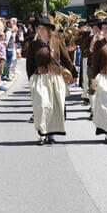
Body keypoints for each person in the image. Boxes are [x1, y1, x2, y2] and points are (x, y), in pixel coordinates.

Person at [26, 17, 77, 145]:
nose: (41, 30)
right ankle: (43, 133)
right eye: (39, 28)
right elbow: (29, 65)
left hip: (55, 77)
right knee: (42, 105)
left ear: (49, 30)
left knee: (55, 106)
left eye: (44, 28)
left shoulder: (57, 42)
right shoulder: (33, 45)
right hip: (40, 78)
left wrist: (74, 73)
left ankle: (52, 133)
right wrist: (31, 79)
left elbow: (66, 59)